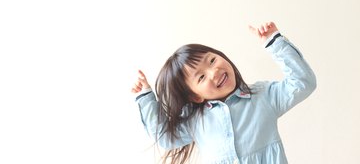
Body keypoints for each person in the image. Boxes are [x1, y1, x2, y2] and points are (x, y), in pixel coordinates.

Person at [131, 22, 317, 164]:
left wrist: (274, 43)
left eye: (211, 60)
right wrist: (145, 98)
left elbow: (302, 83)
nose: (214, 73)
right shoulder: (196, 119)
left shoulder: (262, 97)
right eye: (201, 77)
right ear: (196, 96)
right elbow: (165, 138)